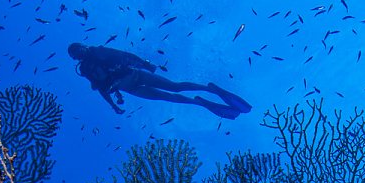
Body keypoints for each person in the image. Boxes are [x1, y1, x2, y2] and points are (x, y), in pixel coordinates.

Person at [68, 43, 251, 120]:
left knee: (175, 88)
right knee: (170, 95)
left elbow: (123, 56)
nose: (80, 54)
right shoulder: (86, 69)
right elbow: (102, 88)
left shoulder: (98, 52)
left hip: (136, 78)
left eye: (79, 50)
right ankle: (201, 101)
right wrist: (113, 105)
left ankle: (209, 89)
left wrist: (145, 64)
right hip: (133, 86)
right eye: (77, 54)